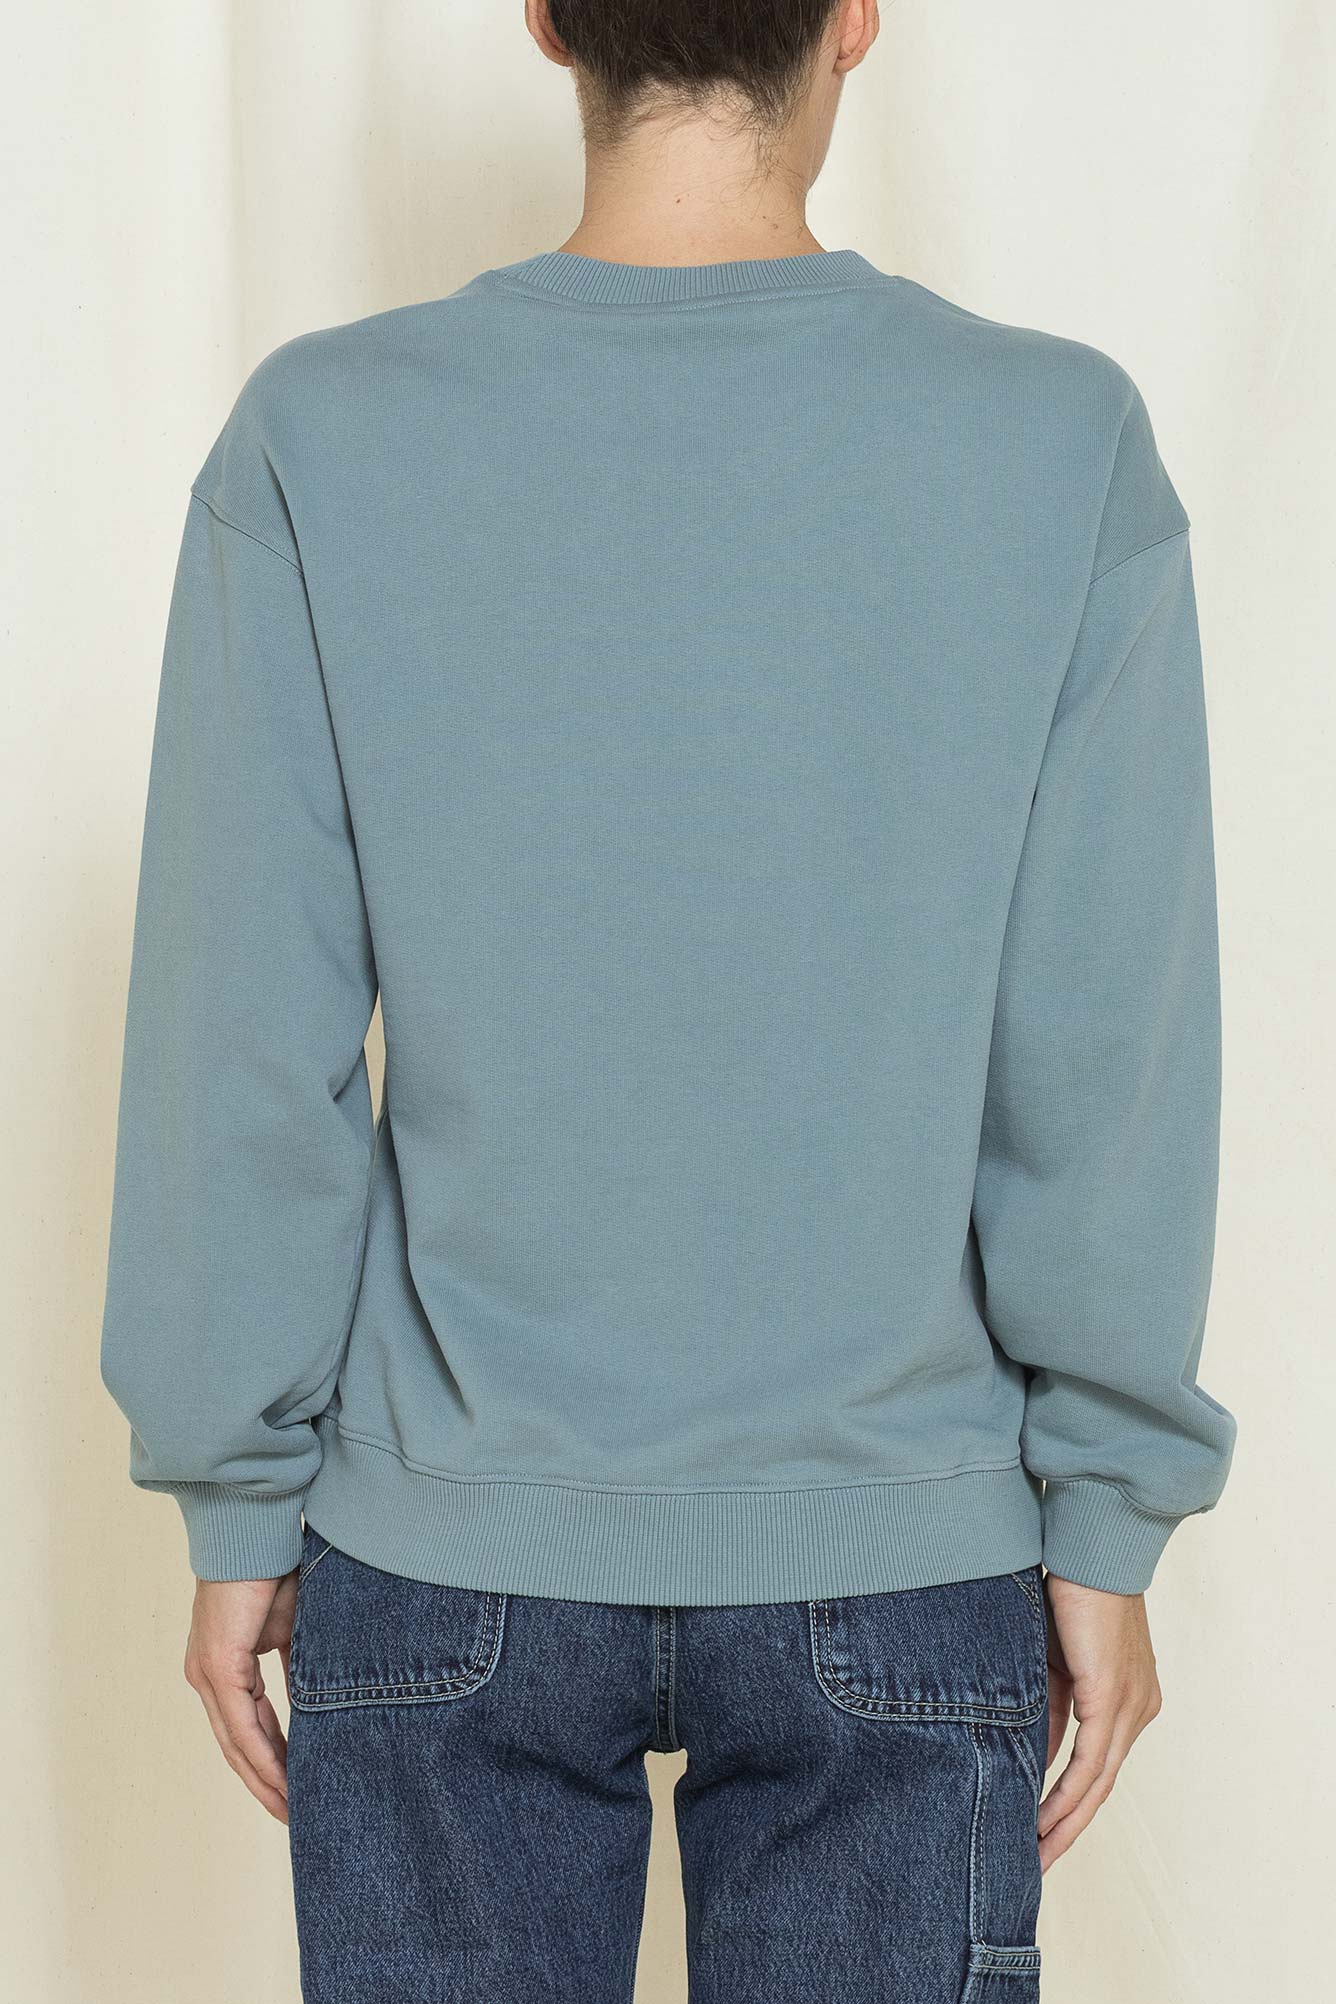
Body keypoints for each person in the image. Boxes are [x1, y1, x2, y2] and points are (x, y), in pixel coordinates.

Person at [99, 2, 1237, 1998]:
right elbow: (1097, 1048)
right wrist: (1106, 1511)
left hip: (439, 1543)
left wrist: (238, 1491)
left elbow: (243, 1041)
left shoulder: (324, 436)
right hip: (899, 1541)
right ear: (854, 19)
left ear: (549, 21)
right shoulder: (1053, 444)